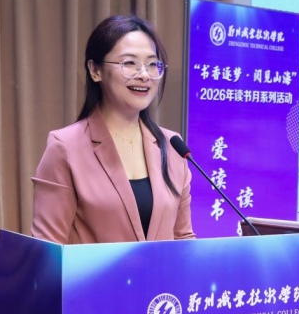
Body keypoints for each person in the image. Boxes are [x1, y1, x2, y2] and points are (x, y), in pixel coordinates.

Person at [31, 15, 195, 244]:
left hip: (163, 270)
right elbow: (48, 248)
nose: (144, 75)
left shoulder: (172, 146)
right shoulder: (65, 147)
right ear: (95, 70)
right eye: (129, 63)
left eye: (152, 64)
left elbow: (183, 238)